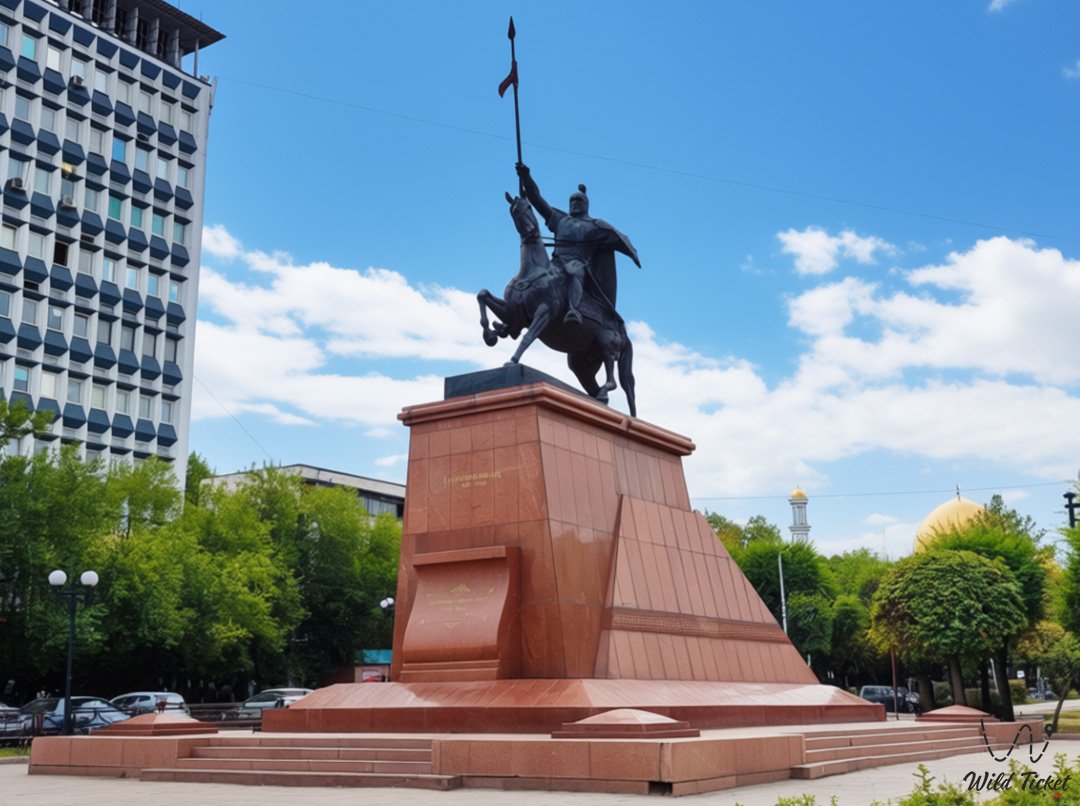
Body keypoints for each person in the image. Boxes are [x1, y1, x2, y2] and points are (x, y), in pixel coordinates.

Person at [515, 162, 639, 324]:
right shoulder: (559, 219)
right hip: (556, 263)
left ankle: (573, 310)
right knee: (532, 274)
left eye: (578, 200)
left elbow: (617, 237)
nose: (574, 203)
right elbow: (536, 199)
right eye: (572, 200)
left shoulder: (595, 225)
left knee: (574, 272)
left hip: (578, 264)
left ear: (586, 204)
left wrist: (631, 253)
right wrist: (526, 177)